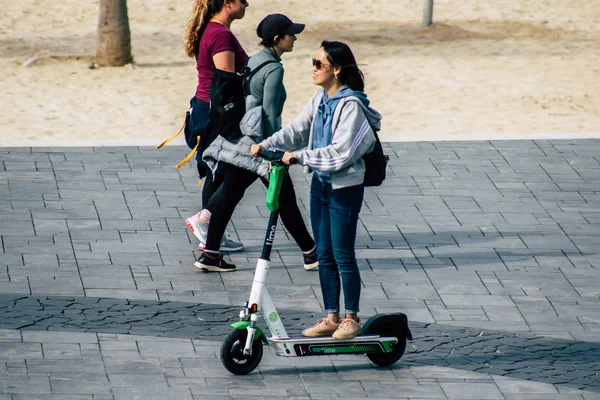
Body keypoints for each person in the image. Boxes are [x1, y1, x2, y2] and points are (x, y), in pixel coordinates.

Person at [251, 41, 381, 340]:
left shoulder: (351, 106)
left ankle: (351, 317)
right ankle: (332, 316)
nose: (313, 67)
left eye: (318, 63)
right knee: (323, 254)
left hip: (344, 188)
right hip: (320, 185)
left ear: (336, 69)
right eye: (313, 61)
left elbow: (343, 153)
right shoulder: (321, 98)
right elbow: (298, 128)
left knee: (342, 254)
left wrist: (300, 156)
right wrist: (268, 144)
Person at [194, 13, 318, 273]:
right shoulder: (273, 68)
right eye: (290, 34)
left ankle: (210, 254)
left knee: (231, 192)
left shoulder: (255, 59)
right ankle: (311, 253)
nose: (294, 38)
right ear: (277, 39)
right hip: (259, 143)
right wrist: (274, 151)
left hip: (241, 138)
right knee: (284, 195)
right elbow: (271, 114)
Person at [182, 0, 249, 253]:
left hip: (204, 106)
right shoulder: (220, 35)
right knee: (219, 169)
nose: (246, 4)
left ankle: (211, 232)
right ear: (227, 2)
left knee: (216, 169)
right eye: (242, 0)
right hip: (214, 111)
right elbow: (226, 83)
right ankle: (208, 227)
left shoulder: (213, 30)